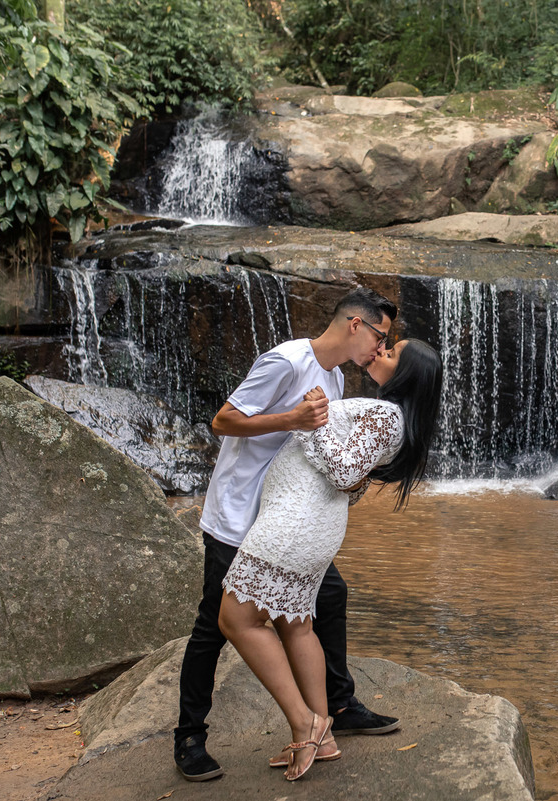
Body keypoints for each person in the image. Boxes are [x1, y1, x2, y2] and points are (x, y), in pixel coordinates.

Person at [173, 287, 402, 782]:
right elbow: (223, 421)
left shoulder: (337, 380)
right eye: (381, 336)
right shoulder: (286, 360)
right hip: (239, 514)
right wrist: (292, 418)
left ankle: (337, 708)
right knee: (214, 624)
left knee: (330, 596)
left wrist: (354, 478)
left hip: (284, 521)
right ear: (356, 325)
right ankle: (189, 736)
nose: (381, 351)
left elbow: (325, 454)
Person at [218, 338, 443, 780]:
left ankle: (306, 723)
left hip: (294, 525)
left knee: (236, 620)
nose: (380, 352)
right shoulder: (390, 417)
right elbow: (352, 480)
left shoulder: (385, 416)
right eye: (384, 346)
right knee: (296, 622)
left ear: (407, 376)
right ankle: (324, 737)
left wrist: (315, 417)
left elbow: (343, 471)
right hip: (307, 522)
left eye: (391, 353)